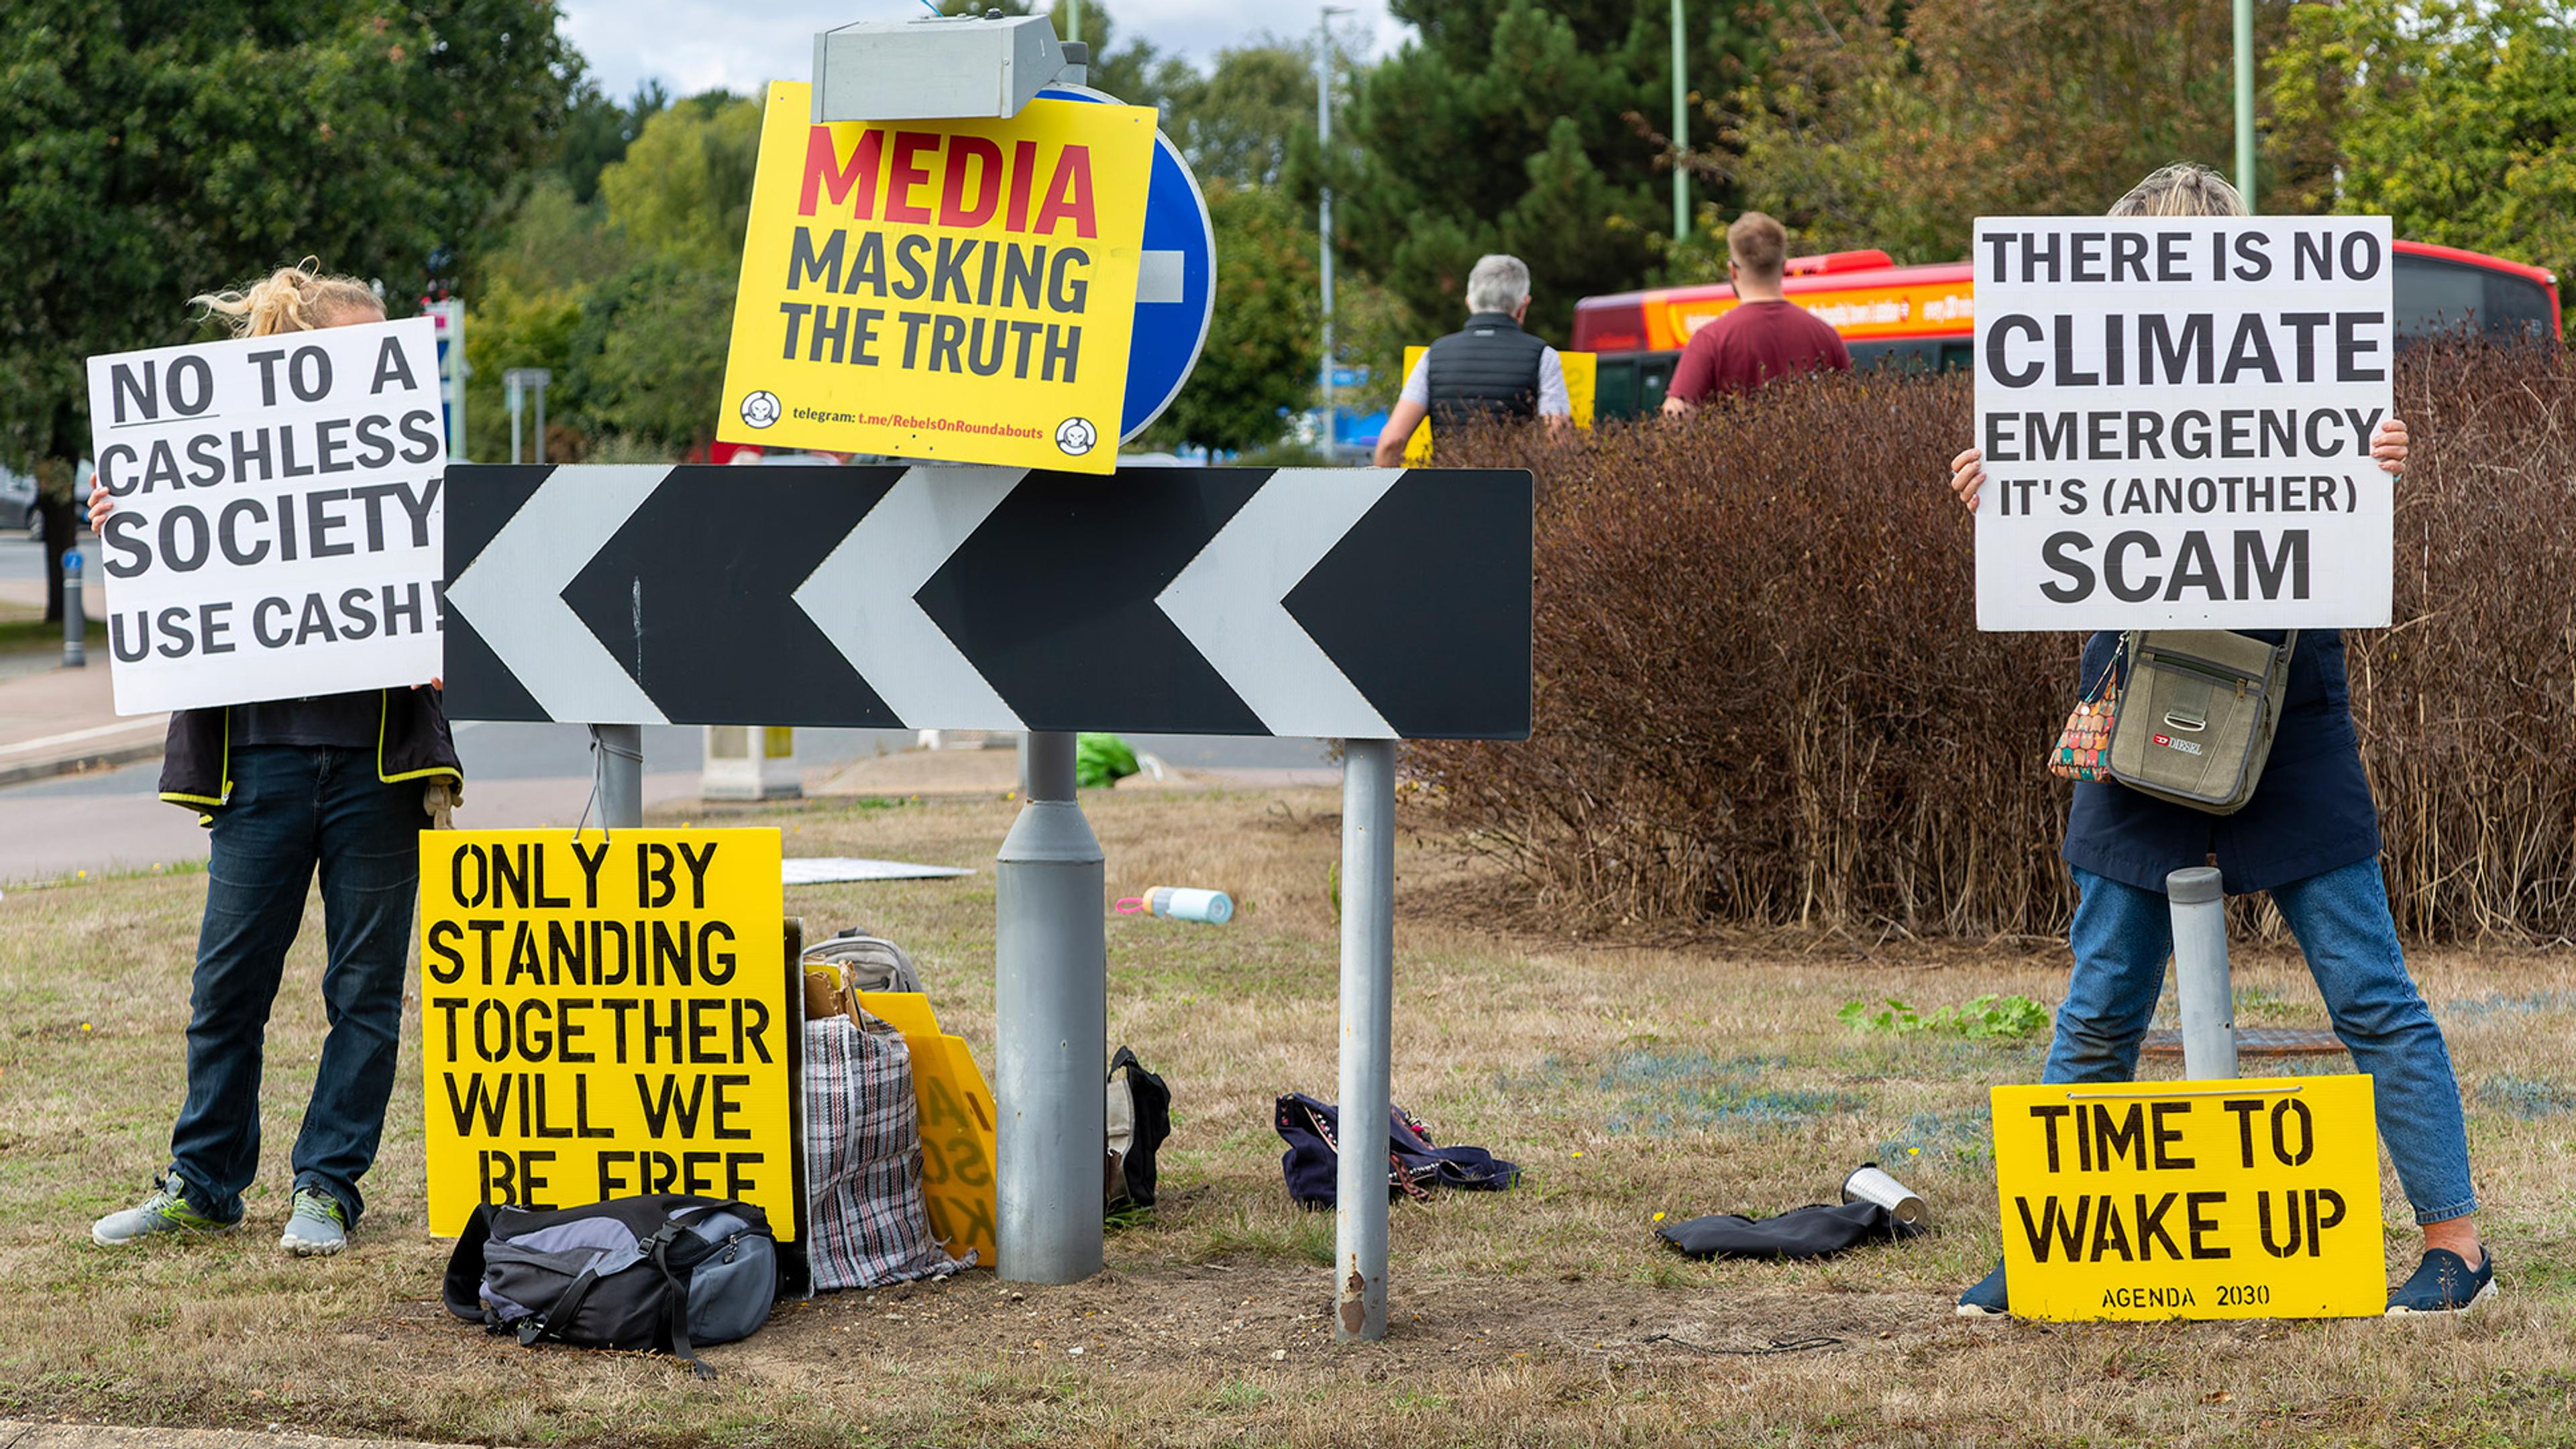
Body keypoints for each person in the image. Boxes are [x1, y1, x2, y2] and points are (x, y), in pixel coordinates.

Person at [1945, 164, 2487, 1317]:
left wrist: (2372, 463)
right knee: (2099, 1004)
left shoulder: (2312, 380)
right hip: (2132, 715)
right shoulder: (2075, 390)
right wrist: (2008, 491)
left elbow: (2338, 522)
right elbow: (2057, 542)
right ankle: (2049, 1251)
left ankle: (2459, 1249)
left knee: (2370, 994)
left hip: (2289, 724)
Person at [89, 265, 464, 1258]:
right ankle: (205, 1184)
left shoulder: (406, 464)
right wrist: (129, 532)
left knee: (365, 992)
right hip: (255, 765)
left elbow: (461, 586)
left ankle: (328, 1190)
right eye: (362, 349)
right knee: (228, 987)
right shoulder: (204, 461)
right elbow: (173, 566)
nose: (386, 368)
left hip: (379, 770)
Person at [1372, 254, 1571, 466]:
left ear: (1469, 302)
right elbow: (1557, 443)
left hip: (1446, 494)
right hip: (1514, 495)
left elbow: (1392, 442)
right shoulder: (1544, 357)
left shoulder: (1434, 355)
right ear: (1524, 305)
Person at [1660, 211, 1851, 413]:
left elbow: (1676, 421)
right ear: (1784, 267)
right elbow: (1852, 415)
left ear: (1733, 270)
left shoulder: (1710, 340)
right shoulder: (1826, 336)